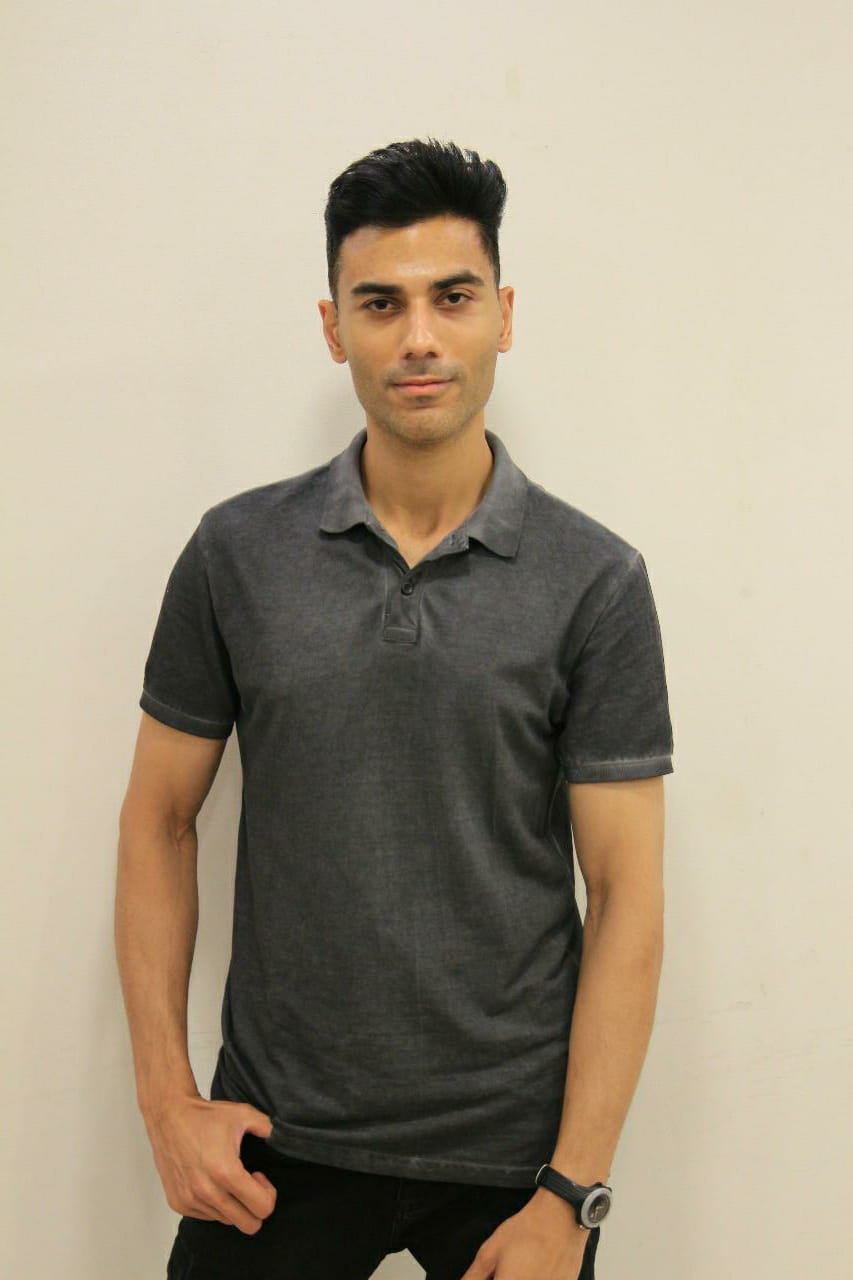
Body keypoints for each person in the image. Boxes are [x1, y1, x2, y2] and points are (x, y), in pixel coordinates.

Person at [115, 137, 674, 1280]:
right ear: (334, 328)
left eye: (452, 297)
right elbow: (158, 820)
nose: (419, 336)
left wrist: (572, 1190)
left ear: (503, 315)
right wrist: (167, 1099)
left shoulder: (595, 579)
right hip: (275, 1142)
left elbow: (625, 891)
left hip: (516, 1163)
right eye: (380, 303)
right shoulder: (236, 554)